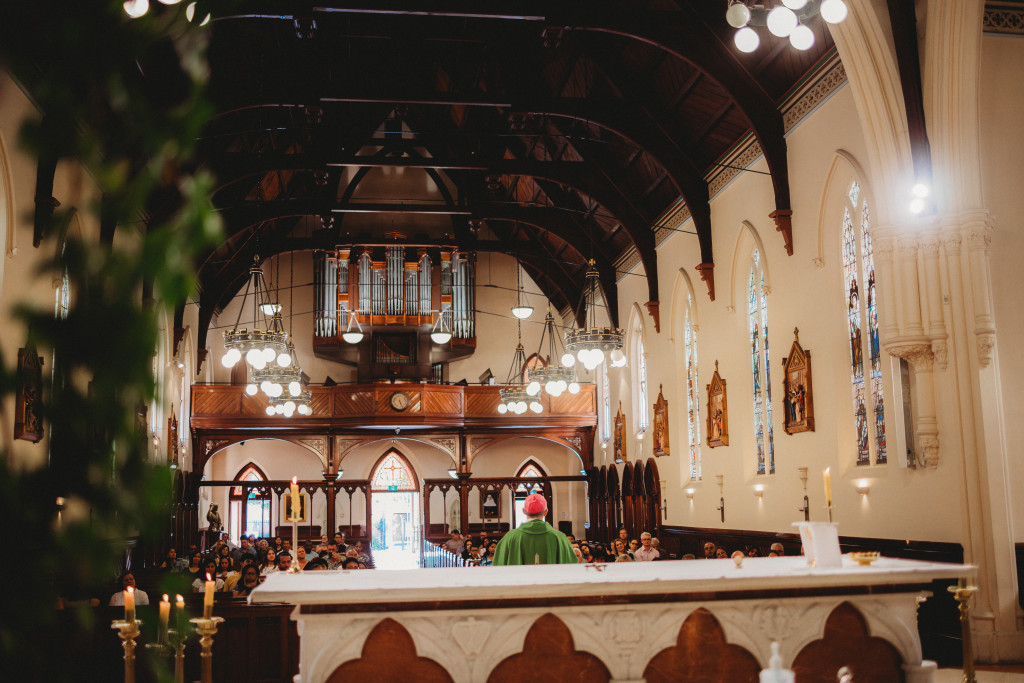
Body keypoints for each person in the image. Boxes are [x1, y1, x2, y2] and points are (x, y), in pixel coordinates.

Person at [491, 493, 576, 565]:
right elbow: (571, 567)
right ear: (546, 512)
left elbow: (498, 566)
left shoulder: (509, 538)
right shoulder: (560, 538)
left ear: (524, 511)